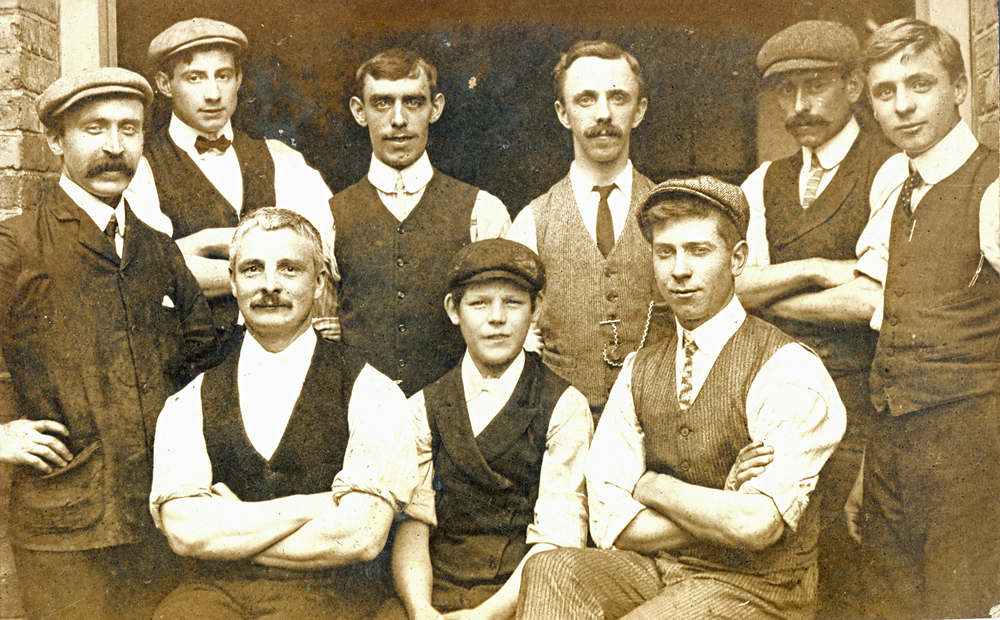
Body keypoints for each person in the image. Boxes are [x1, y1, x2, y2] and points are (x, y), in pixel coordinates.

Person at [516, 176, 845, 620]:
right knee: (551, 568)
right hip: (664, 572)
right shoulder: (641, 368)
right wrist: (717, 506)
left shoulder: (787, 369)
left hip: (759, 591)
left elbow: (756, 524)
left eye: (698, 250)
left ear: (738, 259)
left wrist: (653, 485)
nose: (679, 270)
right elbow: (610, 517)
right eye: (665, 252)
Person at [0, 68, 216, 620]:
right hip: (62, 525)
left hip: (157, 522)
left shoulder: (159, 250)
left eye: (130, 129)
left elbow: (208, 358)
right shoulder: (17, 245)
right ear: (55, 140)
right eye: (94, 129)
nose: (115, 147)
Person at [149, 208, 416, 620]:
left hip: (332, 599)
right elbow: (185, 533)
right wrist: (318, 505)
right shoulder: (191, 397)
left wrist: (233, 524)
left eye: (289, 269)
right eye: (253, 269)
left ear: (319, 282)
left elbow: (361, 535)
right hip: (213, 598)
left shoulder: (373, 391)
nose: (269, 285)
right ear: (233, 283)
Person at [737, 20, 897, 618]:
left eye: (816, 86)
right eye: (785, 90)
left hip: (865, 412)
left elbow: (866, 301)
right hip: (779, 409)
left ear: (854, 85)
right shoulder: (765, 180)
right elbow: (731, 286)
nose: (799, 106)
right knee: (780, 572)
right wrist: (815, 266)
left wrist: (766, 294)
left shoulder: (890, 169)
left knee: (856, 573)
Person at [847, 18, 1000, 619]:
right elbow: (891, 334)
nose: (903, 106)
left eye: (921, 84)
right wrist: (869, 465)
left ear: (960, 89)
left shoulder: (993, 189)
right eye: (885, 92)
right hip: (892, 453)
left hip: (971, 455)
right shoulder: (895, 182)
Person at [375, 239, 593, 620]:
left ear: (536, 308)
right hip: (432, 591)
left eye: (513, 302)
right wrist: (420, 608)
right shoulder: (422, 408)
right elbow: (414, 526)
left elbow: (557, 540)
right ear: (453, 310)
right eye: (479, 303)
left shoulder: (565, 405)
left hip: (524, 596)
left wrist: (484, 616)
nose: (497, 318)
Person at [126, 18, 338, 358]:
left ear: (238, 78)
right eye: (194, 78)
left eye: (223, 76)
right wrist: (282, 269)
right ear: (165, 83)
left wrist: (198, 251)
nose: (213, 94)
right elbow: (151, 271)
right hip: (190, 362)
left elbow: (324, 257)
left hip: (284, 359)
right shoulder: (141, 168)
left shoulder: (281, 159)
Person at [331, 48, 511, 397]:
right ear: (359, 111)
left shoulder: (481, 210)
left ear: (436, 108)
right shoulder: (328, 216)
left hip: (455, 412)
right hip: (359, 413)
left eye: (413, 102)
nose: (398, 120)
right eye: (382, 103)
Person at [507, 40, 669, 419]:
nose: (604, 113)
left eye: (618, 97)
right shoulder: (532, 220)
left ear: (639, 111)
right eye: (586, 99)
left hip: (656, 422)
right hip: (560, 426)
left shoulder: (669, 212)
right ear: (563, 113)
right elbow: (518, 336)